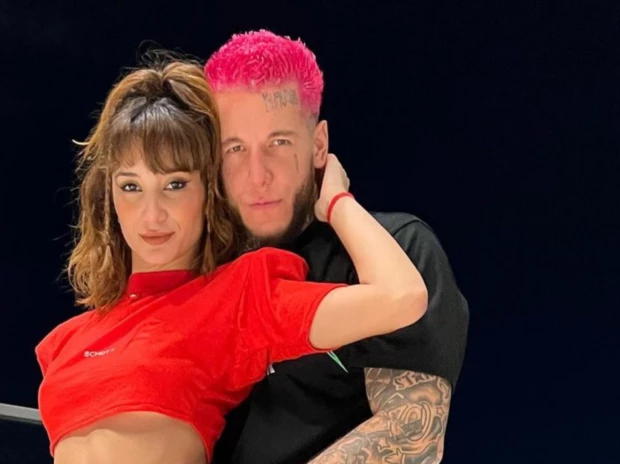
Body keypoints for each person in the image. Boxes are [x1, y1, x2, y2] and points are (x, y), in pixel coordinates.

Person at [34, 56, 429, 464]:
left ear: (209, 191)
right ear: (108, 197)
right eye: (131, 187)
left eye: (175, 184)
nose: (151, 215)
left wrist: (335, 201)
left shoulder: (237, 297)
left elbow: (402, 296)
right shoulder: (63, 342)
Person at [205, 30, 469, 464]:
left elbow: (412, 437)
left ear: (319, 145)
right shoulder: (205, 274)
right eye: (235, 148)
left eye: (278, 143)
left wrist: (338, 205)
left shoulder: (395, 251)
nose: (257, 175)